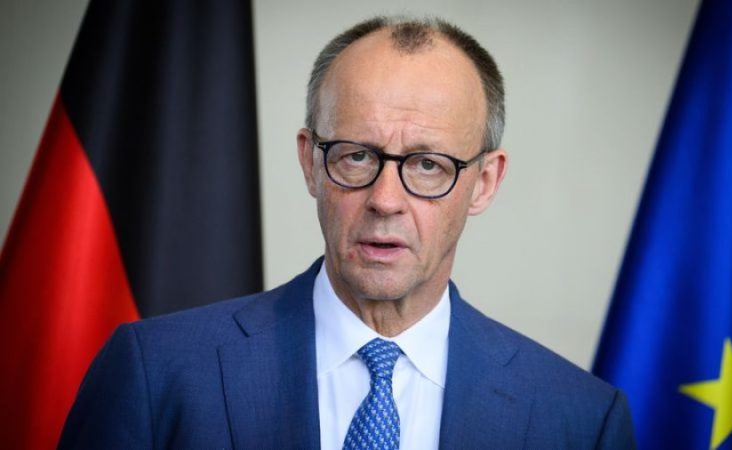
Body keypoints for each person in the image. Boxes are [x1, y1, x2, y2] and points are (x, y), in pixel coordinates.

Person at [59, 16, 635, 449]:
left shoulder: (581, 420)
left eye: (428, 164)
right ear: (310, 162)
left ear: (484, 183)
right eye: (356, 156)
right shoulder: (154, 375)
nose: (385, 200)